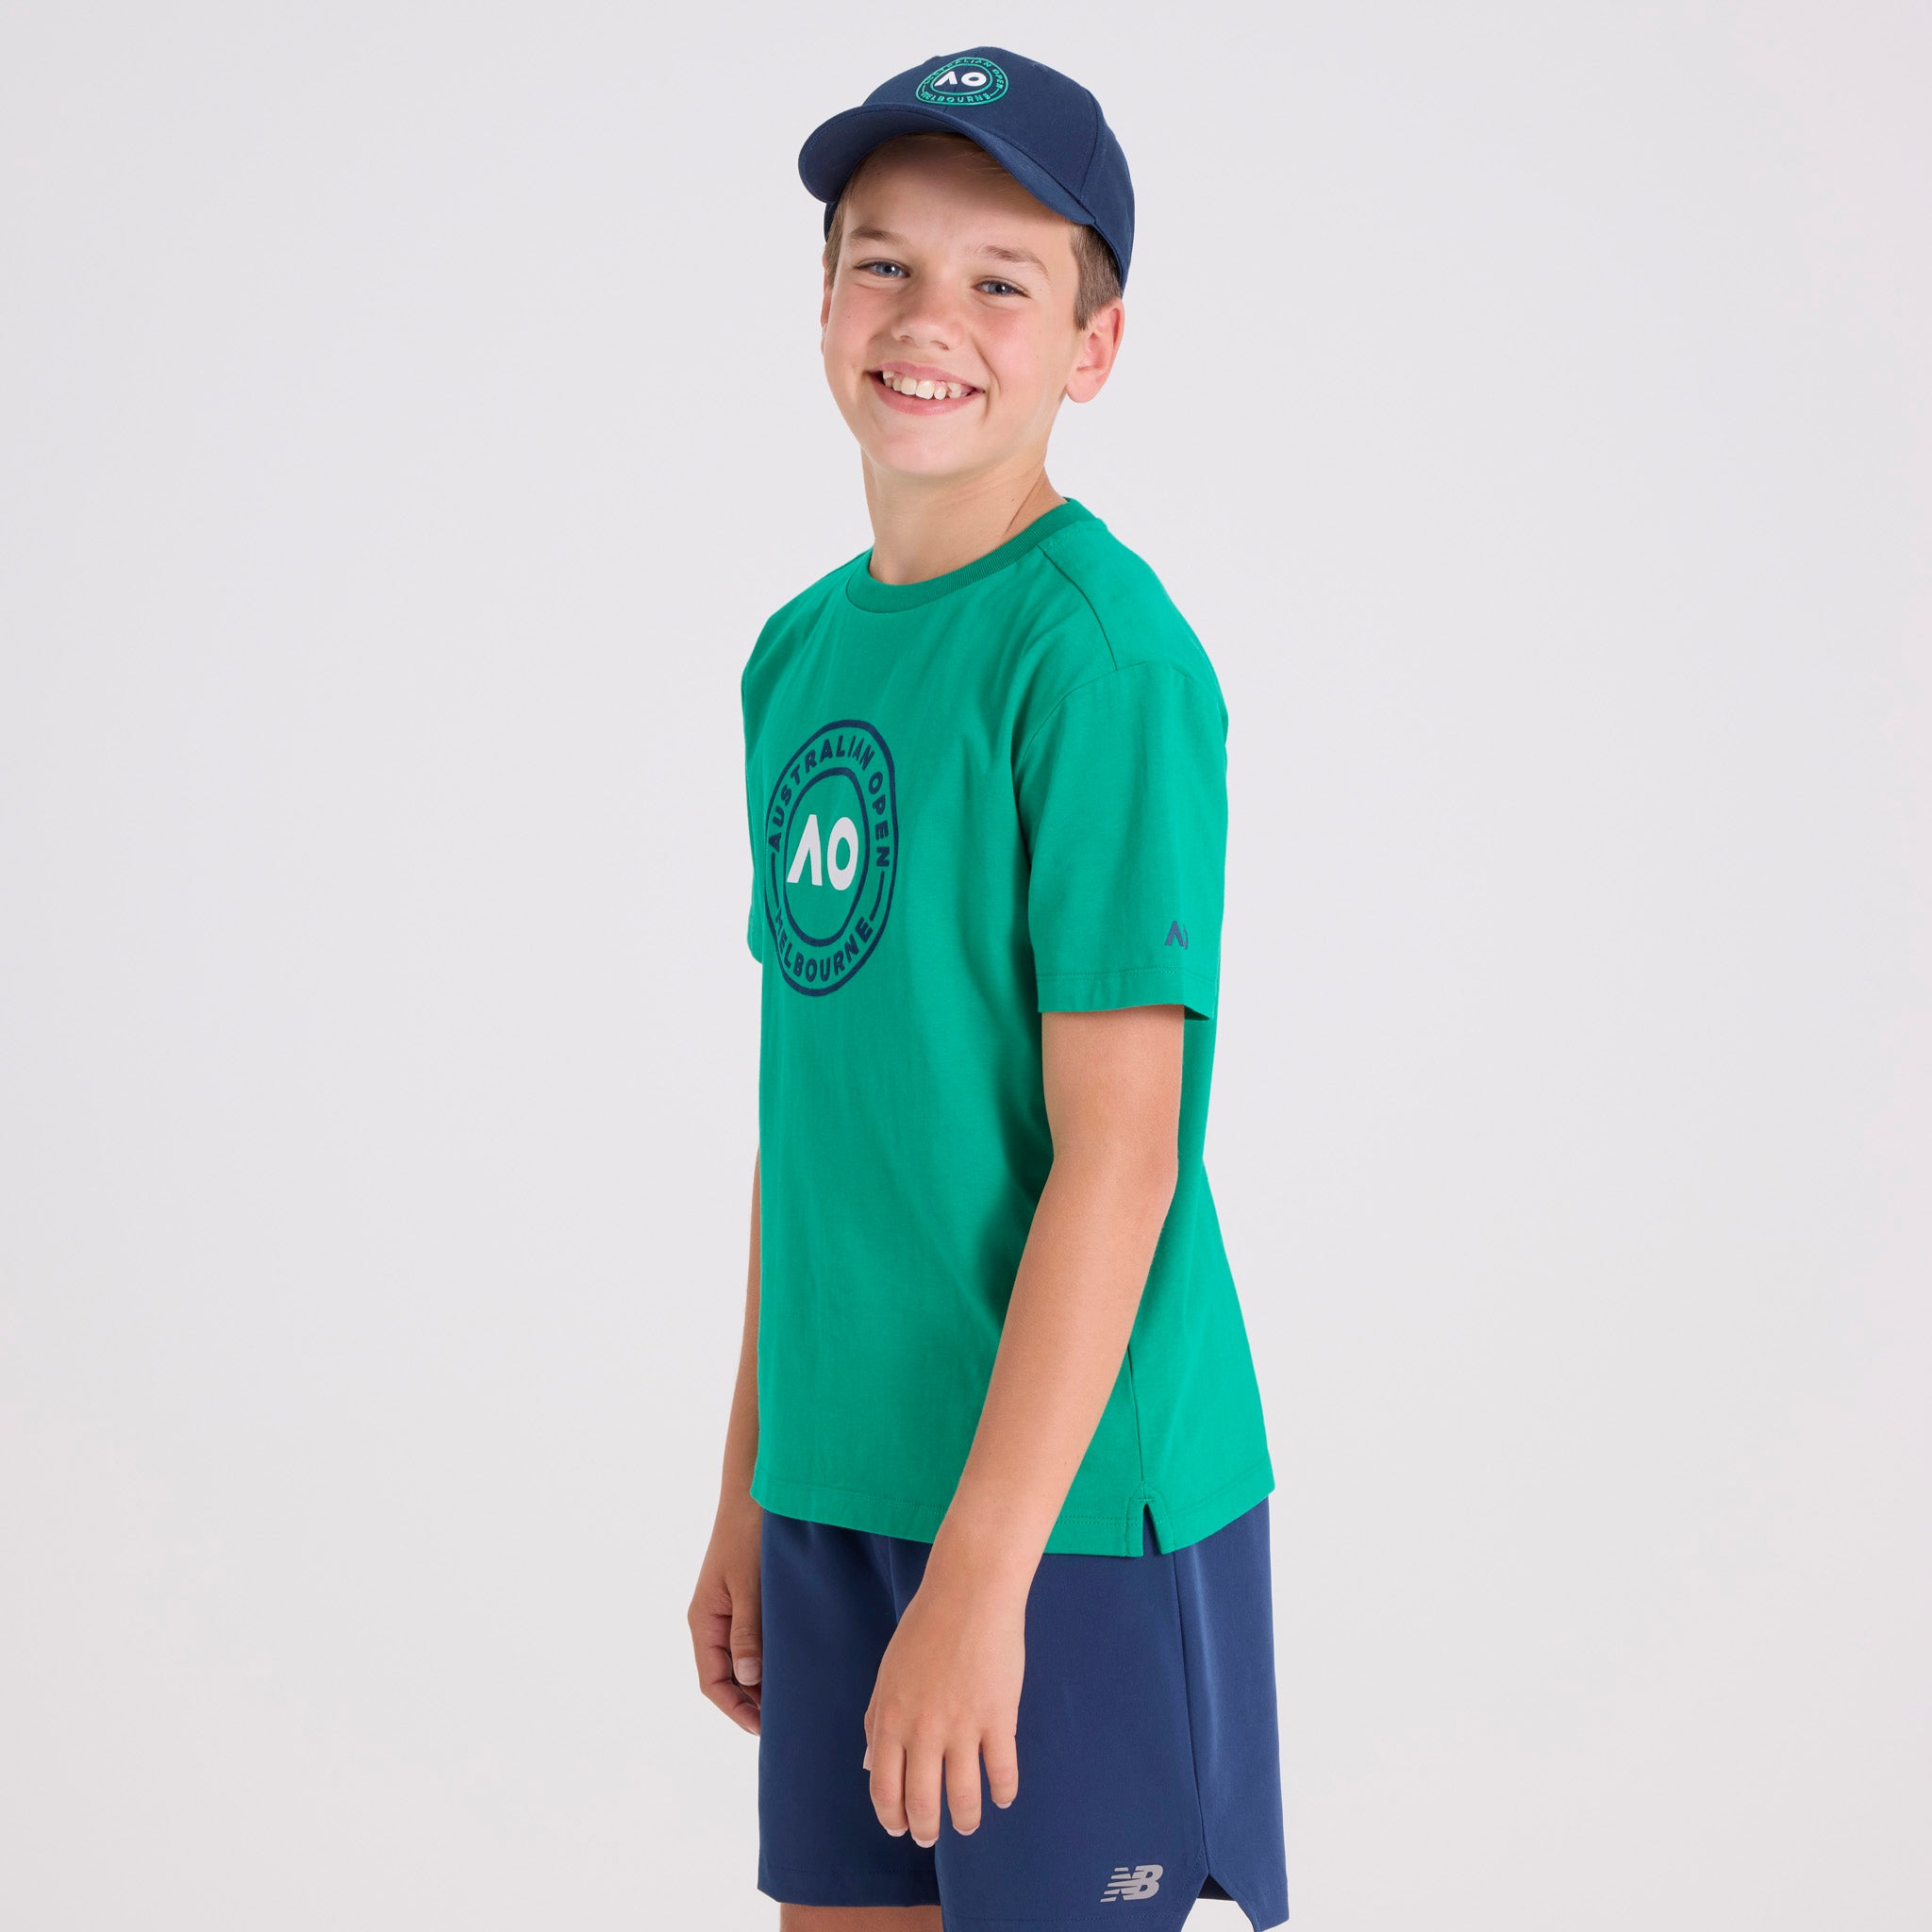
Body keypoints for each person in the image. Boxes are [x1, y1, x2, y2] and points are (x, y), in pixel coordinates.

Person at [687, 47, 1290, 1932]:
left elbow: (1122, 1159)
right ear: (822, 302)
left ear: (1092, 348)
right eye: (882, 263)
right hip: (842, 1482)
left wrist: (982, 1569)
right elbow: (820, 1118)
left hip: (1063, 1507)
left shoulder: (1099, 663)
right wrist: (753, 1481)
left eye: (998, 280)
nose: (925, 317)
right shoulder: (796, 657)